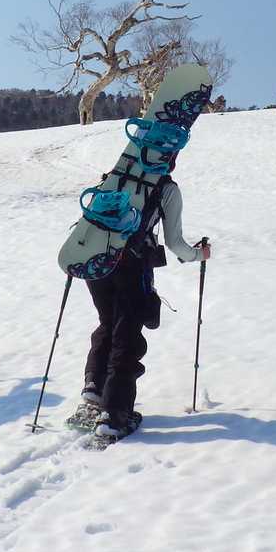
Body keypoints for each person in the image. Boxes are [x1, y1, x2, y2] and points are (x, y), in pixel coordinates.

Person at [82, 158, 210, 443]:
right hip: (132, 266)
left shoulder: (114, 176)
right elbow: (175, 242)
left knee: (108, 323)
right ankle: (114, 415)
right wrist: (198, 255)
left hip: (97, 264)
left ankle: (94, 387)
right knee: (127, 336)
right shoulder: (166, 188)